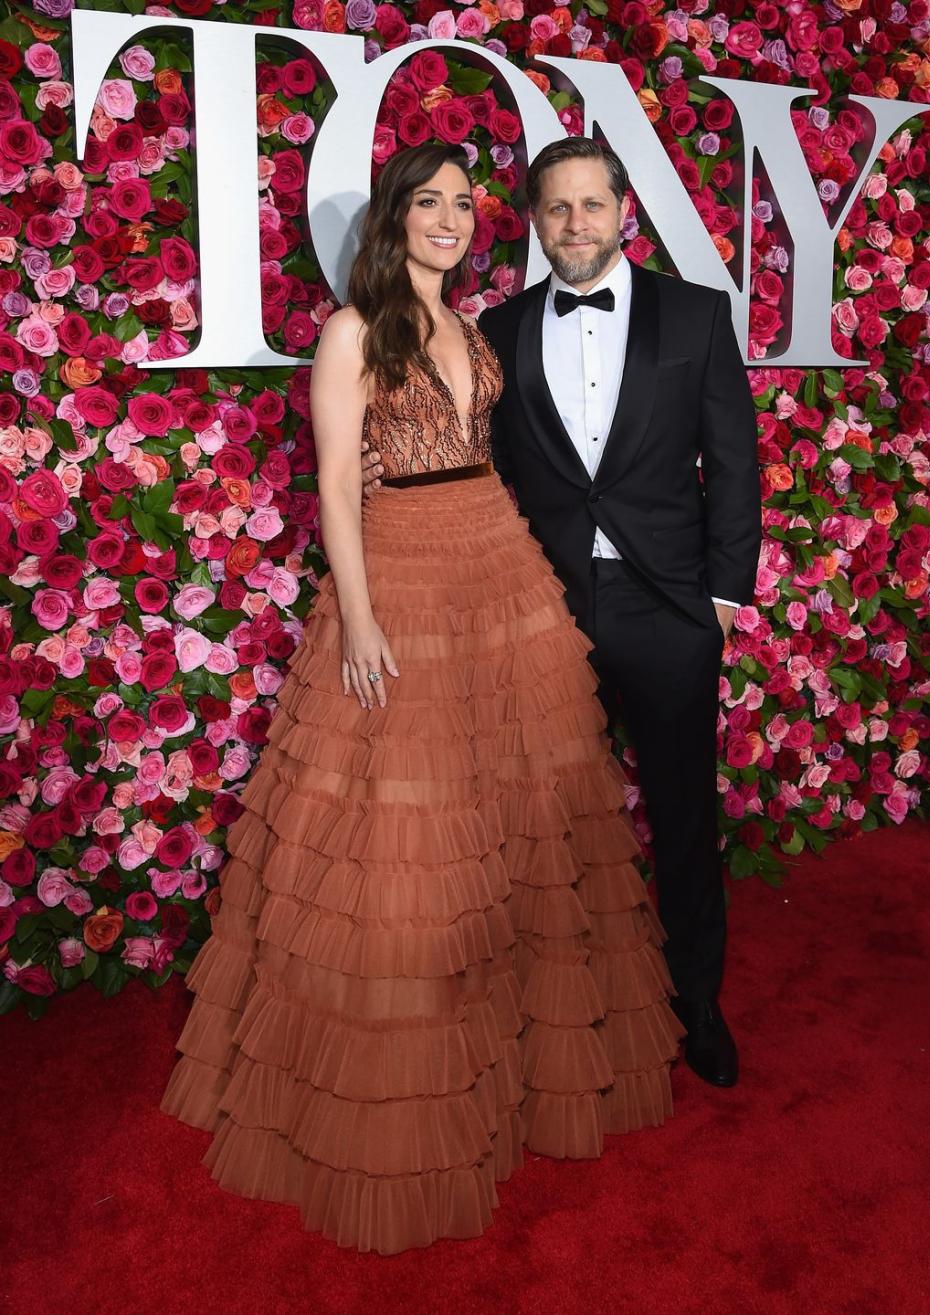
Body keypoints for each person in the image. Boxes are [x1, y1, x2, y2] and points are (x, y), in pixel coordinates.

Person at [161, 142, 683, 1256]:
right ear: (395, 216)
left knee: (514, 814)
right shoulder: (353, 331)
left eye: (463, 203)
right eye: (429, 202)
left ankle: (519, 1059)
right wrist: (357, 618)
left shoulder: (477, 326)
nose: (450, 218)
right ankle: (407, 1069)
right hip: (399, 570)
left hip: (496, 558)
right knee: (403, 828)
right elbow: (339, 489)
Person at [364, 138, 762, 1088]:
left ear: (623, 209)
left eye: (591, 205)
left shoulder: (697, 316)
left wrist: (718, 597)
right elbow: (458, 436)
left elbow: (735, 463)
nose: (574, 224)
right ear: (534, 221)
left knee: (679, 807)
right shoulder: (491, 328)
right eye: (555, 209)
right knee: (540, 814)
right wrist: (382, 467)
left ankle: (698, 999)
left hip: (668, 608)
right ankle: (552, 998)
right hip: (537, 606)